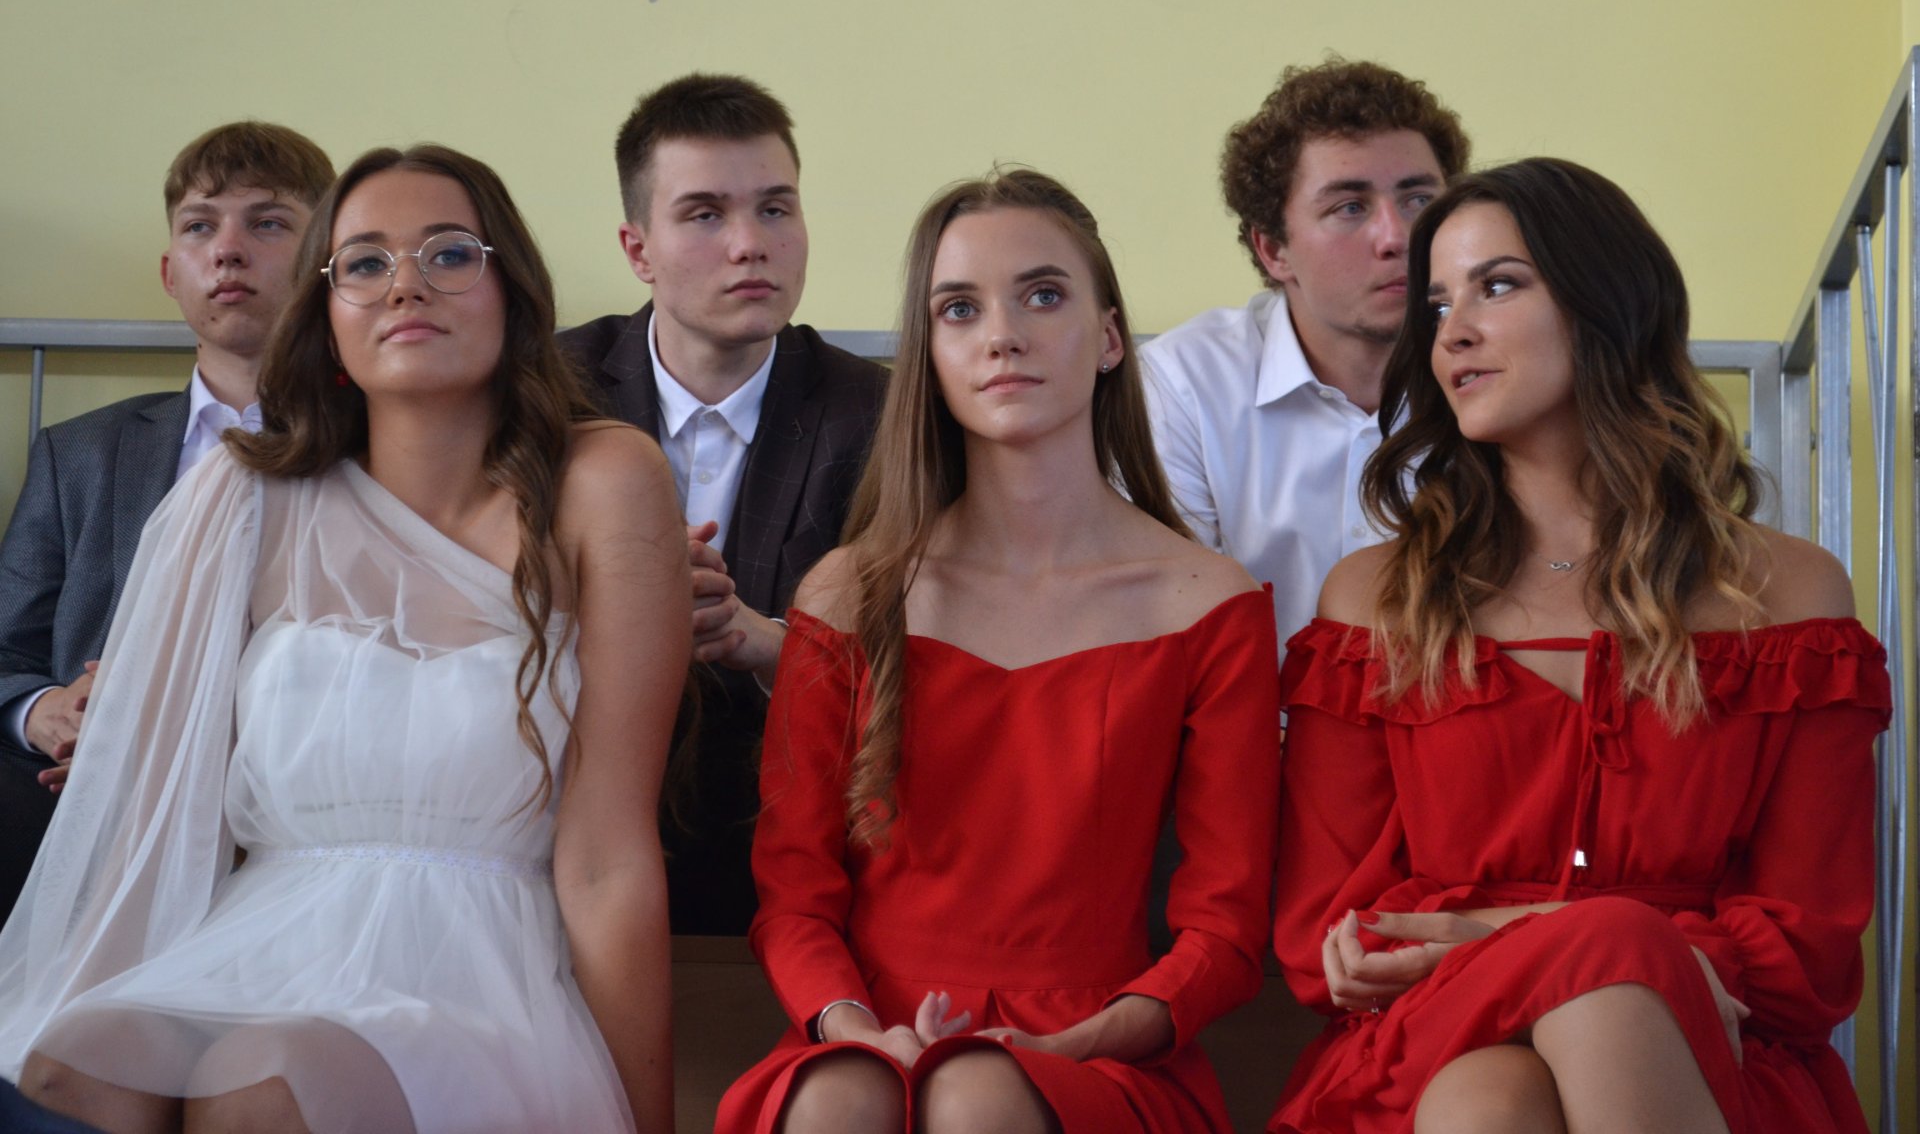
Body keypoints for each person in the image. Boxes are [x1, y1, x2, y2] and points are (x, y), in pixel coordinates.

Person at [0, 145, 686, 1133]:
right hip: (254, 942)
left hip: (478, 972)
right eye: (364, 262)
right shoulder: (243, 495)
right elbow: (150, 822)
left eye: (449, 253)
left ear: (513, 290)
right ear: (324, 313)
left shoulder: (605, 479)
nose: (406, 283)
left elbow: (607, 857)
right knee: (93, 1064)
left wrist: (644, 1116)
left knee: (270, 1081)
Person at [1269, 158, 1888, 1134]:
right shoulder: (1374, 601)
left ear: (1607, 305)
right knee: (1494, 1080)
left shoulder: (1790, 595)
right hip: (1431, 1035)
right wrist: (1587, 943)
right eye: (1438, 304)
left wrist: (1544, 937)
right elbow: (1330, 939)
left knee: (1550, 1045)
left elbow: (1808, 954)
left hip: (1712, 1047)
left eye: (1497, 285)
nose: (1453, 331)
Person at [717, 168, 1280, 1134]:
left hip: (1103, 1047)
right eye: (959, 309)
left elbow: (1224, 927)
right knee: (838, 1099)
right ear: (930, 354)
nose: (1002, 335)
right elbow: (795, 897)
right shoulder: (849, 594)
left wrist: (1087, 1038)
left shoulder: (1207, 602)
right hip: (861, 1027)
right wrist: (858, 1030)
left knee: (974, 1097)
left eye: (1043, 296)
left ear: (1110, 338)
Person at [561, 72, 886, 936]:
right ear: (638, 250)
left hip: (790, 856)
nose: (750, 245)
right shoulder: (550, 395)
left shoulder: (879, 417)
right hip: (561, 835)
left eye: (775, 209)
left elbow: (921, 673)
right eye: (705, 215)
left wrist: (766, 643)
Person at [0, 121, 333, 918]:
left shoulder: (383, 446)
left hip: (304, 799)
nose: (228, 250)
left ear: (326, 258)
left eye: (268, 222)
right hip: (93, 809)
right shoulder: (80, 453)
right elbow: (7, 649)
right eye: (199, 226)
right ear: (169, 272)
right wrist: (44, 712)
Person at [1141, 59, 1469, 646]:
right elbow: (1171, 628)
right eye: (1350, 207)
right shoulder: (1183, 385)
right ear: (1274, 251)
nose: (1397, 237)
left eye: (1419, 199)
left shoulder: (1502, 368)